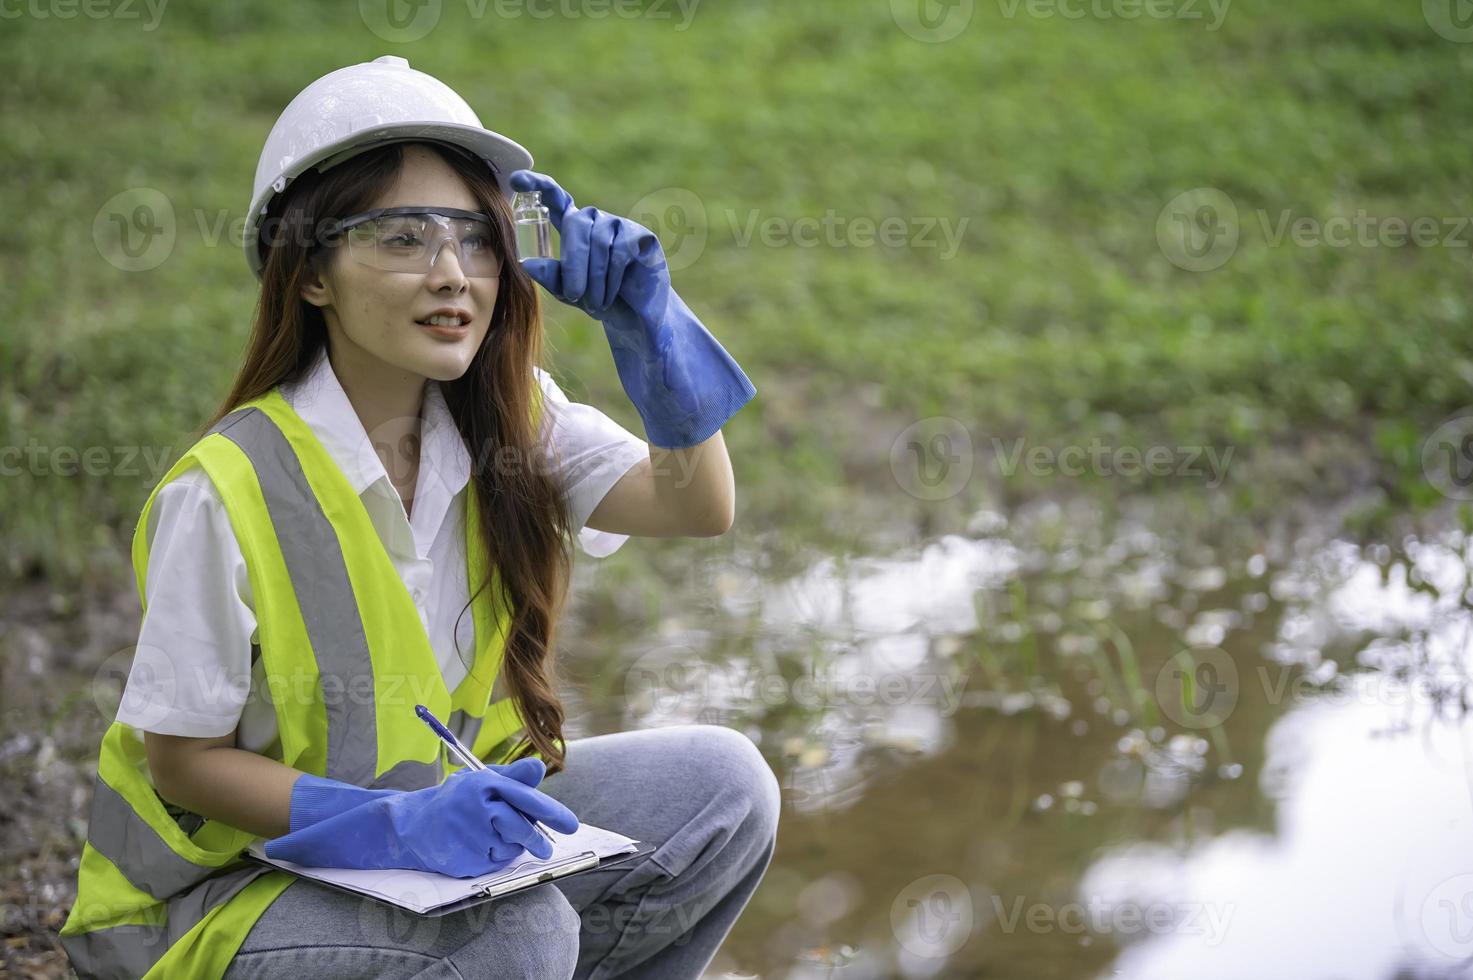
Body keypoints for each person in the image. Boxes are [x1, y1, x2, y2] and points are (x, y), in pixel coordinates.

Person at [61, 55, 779, 980]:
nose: (453, 274)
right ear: (311, 271)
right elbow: (183, 764)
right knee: (522, 935)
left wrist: (652, 332)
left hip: (430, 854)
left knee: (724, 790)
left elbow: (697, 506)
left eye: (476, 239)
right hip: (221, 902)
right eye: (402, 238)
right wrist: (392, 828)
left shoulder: (511, 416)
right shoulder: (227, 489)